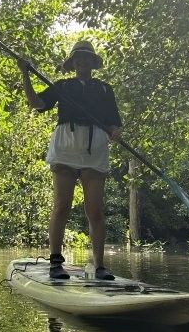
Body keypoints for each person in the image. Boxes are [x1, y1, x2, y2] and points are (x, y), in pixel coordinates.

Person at [18, 40, 122, 280]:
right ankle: (56, 262)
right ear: (73, 62)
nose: (82, 61)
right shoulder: (62, 86)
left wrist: (115, 131)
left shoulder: (105, 89)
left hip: (95, 147)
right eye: (78, 58)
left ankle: (99, 265)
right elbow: (36, 104)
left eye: (86, 57)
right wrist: (25, 74)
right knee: (62, 204)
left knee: (94, 210)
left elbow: (114, 122)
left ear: (93, 62)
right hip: (65, 145)